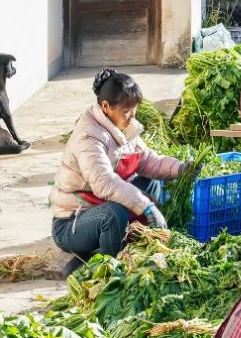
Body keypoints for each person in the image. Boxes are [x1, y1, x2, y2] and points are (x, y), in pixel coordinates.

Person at [50, 68, 189, 274]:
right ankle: (108, 264)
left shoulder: (124, 127)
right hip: (73, 223)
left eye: (134, 109)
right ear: (106, 107)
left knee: (150, 183)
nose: (132, 116)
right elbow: (104, 182)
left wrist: (180, 168)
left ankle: (122, 243)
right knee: (114, 215)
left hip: (100, 205)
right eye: (126, 110)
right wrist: (147, 207)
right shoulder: (89, 136)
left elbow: (148, 161)